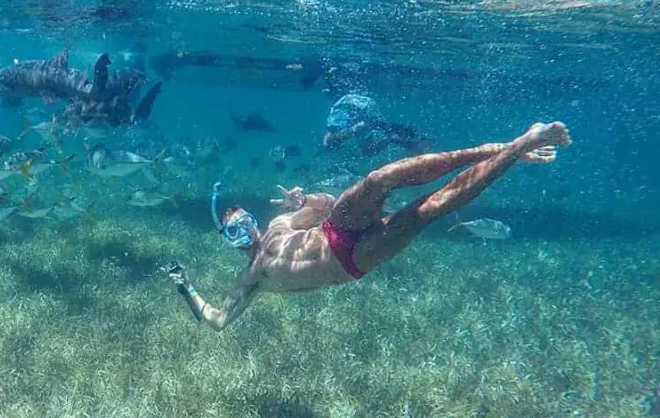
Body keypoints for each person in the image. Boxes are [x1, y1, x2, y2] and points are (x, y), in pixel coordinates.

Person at [167, 122, 571, 331]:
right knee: (429, 209)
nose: (247, 231)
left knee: (379, 179)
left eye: (246, 222)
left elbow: (325, 206)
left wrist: (304, 201)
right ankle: (520, 147)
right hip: (351, 262)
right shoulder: (251, 278)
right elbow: (218, 321)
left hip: (333, 231)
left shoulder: (277, 224)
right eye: (236, 231)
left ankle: (503, 147)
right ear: (229, 242)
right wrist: (187, 288)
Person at [322, 93, 429, 156]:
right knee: (370, 146)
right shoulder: (333, 123)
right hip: (359, 102)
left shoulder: (334, 128)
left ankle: (400, 139)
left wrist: (360, 126)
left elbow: (357, 127)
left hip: (358, 106)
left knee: (368, 149)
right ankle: (402, 136)